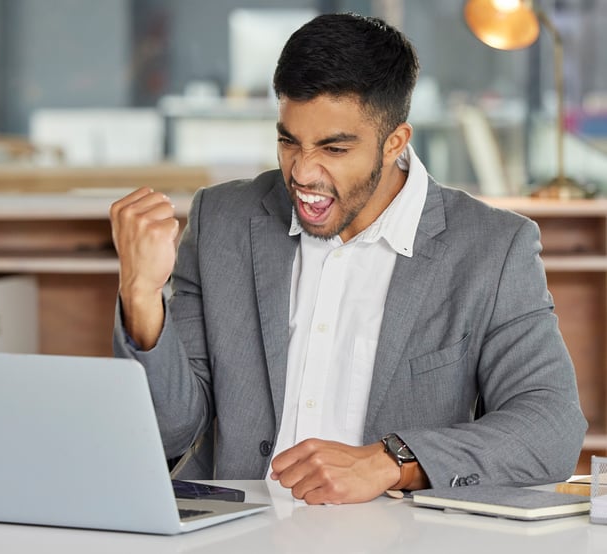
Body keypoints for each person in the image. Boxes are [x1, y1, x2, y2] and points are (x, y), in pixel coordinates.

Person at [110, 13, 586, 505]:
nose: (302, 171)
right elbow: (167, 433)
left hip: (396, 536)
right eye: (288, 141)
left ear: (395, 143)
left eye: (333, 148)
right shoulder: (222, 221)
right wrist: (141, 295)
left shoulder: (492, 248)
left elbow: (550, 426)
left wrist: (390, 462)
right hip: (235, 531)